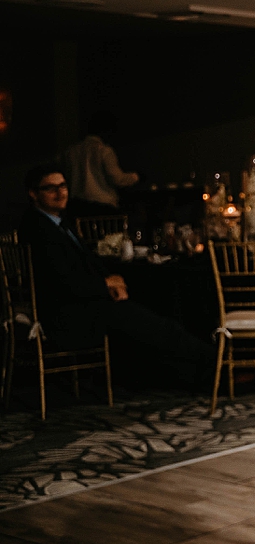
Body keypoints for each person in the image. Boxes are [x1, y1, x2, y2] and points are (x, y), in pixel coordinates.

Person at [17, 164, 212, 389]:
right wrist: (105, 285)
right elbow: (62, 282)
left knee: (153, 307)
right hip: (66, 314)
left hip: (84, 303)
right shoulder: (38, 228)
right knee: (145, 320)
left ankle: (197, 372)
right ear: (33, 194)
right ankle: (215, 363)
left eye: (63, 186)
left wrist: (113, 281)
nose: (61, 193)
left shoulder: (59, 222)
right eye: (51, 189)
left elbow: (87, 264)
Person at [58, 111, 139, 216]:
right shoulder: (103, 150)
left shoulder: (70, 152)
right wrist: (136, 176)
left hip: (77, 207)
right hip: (103, 207)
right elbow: (117, 179)